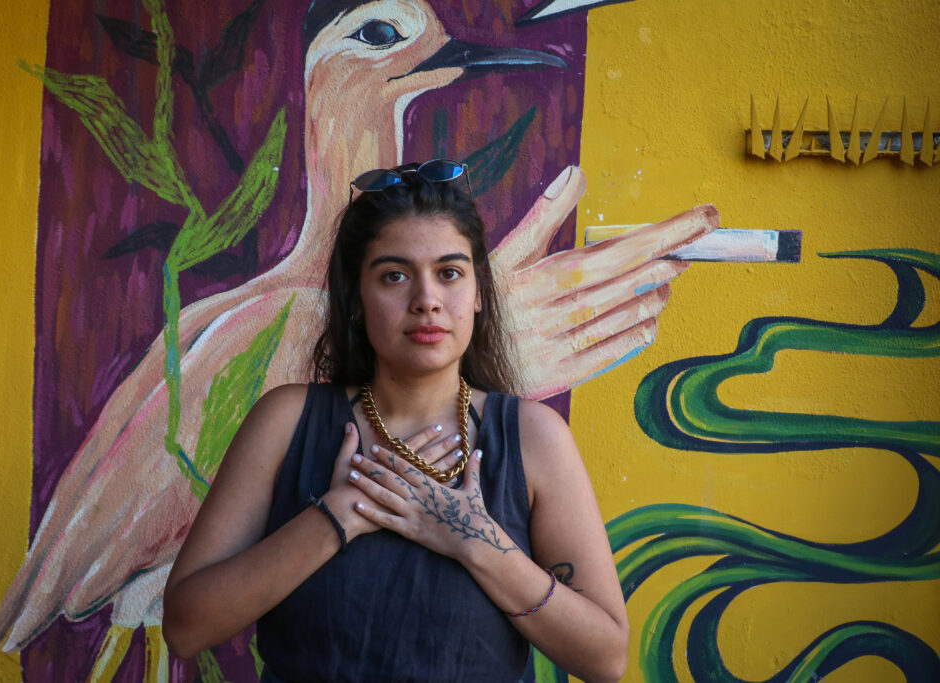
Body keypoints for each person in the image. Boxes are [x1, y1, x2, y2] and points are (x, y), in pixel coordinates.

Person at [162, 160, 630, 682]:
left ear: (478, 293)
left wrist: (475, 539)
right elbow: (185, 628)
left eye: (449, 273)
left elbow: (606, 659)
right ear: (356, 298)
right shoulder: (287, 422)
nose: (426, 301)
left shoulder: (533, 438)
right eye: (394, 276)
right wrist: (340, 514)